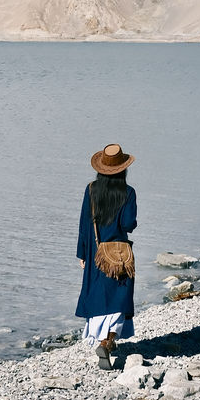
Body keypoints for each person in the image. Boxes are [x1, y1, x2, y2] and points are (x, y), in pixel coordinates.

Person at [76, 143, 137, 369]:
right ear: (123, 169)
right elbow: (128, 224)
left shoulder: (91, 189)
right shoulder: (129, 192)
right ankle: (108, 340)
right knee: (119, 297)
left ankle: (103, 339)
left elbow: (84, 225)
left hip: (95, 251)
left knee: (98, 296)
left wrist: (82, 253)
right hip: (118, 253)